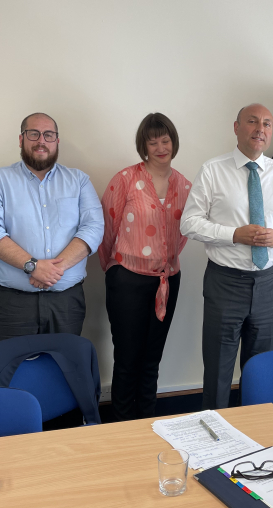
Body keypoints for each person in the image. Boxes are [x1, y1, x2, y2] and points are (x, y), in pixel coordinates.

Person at [181, 104, 273, 409]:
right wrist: (234, 234)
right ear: (236, 127)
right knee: (219, 369)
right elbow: (189, 222)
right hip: (226, 282)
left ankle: (255, 431)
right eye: (252, 122)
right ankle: (216, 436)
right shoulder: (213, 170)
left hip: (269, 282)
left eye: (267, 124)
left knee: (260, 369)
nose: (260, 129)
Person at [0, 112, 104, 343]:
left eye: (48, 135)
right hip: (11, 305)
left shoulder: (79, 180)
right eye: (33, 134)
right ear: (21, 139)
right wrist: (32, 266)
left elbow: (93, 228)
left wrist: (50, 271)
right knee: (8, 375)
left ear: (57, 141)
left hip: (66, 304)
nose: (41, 140)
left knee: (63, 374)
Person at [99, 113, 191, 421]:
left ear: (173, 142)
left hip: (167, 281)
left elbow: (182, 237)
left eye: (165, 140)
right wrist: (115, 269)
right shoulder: (125, 180)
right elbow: (107, 229)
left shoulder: (185, 185)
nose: (161, 147)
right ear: (144, 146)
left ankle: (147, 422)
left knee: (152, 359)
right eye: (153, 142)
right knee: (127, 359)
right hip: (127, 280)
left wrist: (163, 264)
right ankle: (122, 427)